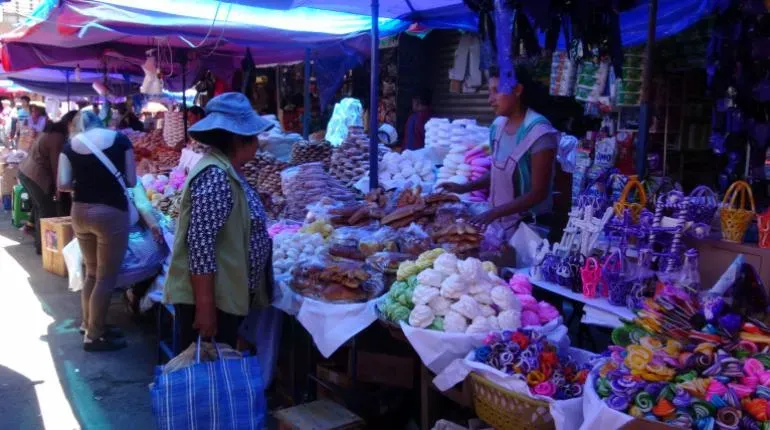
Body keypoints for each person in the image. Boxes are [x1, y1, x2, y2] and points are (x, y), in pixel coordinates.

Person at [164, 92, 274, 350]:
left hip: (226, 293)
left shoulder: (227, 170)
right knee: (206, 366)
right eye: (254, 137)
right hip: (213, 299)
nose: (258, 143)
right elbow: (200, 247)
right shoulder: (215, 176)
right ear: (238, 138)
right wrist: (205, 308)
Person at [440, 66, 560, 242]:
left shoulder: (540, 133)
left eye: (497, 91)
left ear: (517, 90)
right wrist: (465, 187)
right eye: (490, 92)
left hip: (529, 230)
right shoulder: (497, 127)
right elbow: (499, 171)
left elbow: (539, 193)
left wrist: (493, 213)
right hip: (500, 224)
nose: (490, 99)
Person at [58, 111, 136, 351]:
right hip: (111, 213)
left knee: (91, 273)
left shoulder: (70, 145)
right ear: (100, 121)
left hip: (80, 212)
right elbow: (132, 181)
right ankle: (94, 335)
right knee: (106, 277)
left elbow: (63, 184)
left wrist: (86, 181)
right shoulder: (120, 140)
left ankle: (88, 324)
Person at [18, 111, 78, 253]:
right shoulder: (58, 137)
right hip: (36, 176)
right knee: (47, 211)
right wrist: (59, 190)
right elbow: (57, 166)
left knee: (40, 207)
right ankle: (44, 248)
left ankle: (36, 237)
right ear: (70, 123)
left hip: (27, 172)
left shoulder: (53, 130)